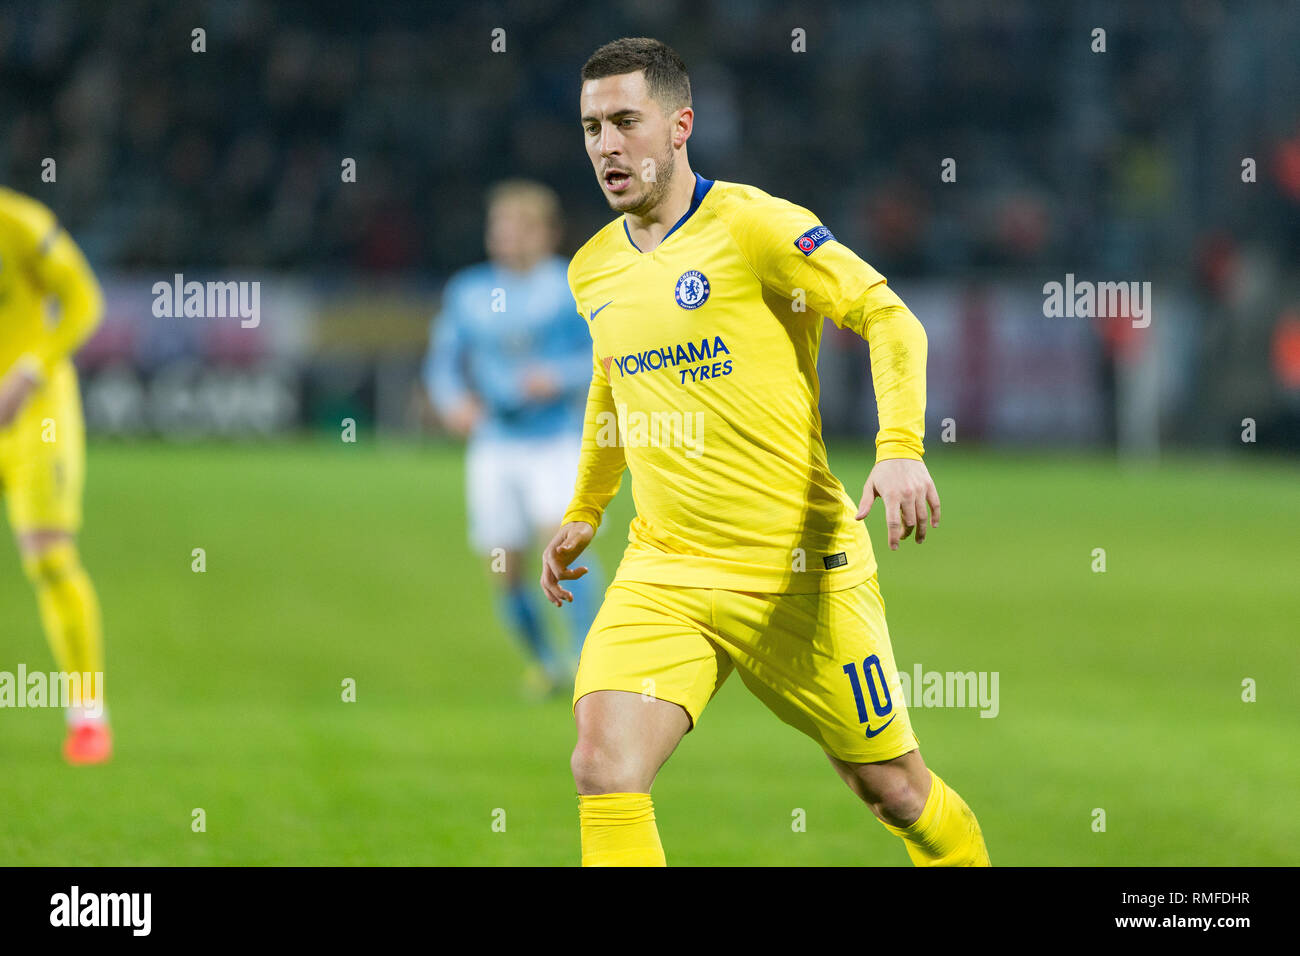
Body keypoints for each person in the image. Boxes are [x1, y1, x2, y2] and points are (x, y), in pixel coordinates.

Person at [541, 38, 990, 865]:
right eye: (591, 127)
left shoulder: (758, 228)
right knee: (604, 767)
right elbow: (614, 384)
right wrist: (586, 508)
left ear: (679, 126)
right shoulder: (592, 270)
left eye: (625, 122)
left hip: (799, 570)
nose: (606, 145)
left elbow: (888, 317)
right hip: (666, 569)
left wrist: (899, 447)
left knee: (893, 790)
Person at [426, 180, 605, 696]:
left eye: (521, 227)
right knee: (504, 567)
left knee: (564, 548)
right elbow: (443, 361)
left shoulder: (573, 284)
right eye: (499, 227)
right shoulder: (468, 291)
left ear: (547, 233)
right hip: (495, 445)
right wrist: (452, 400)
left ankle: (586, 663)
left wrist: (560, 376)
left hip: (557, 440)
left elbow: (607, 354)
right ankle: (545, 664)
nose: (507, 237)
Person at [0, 187, 110, 764]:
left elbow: (85, 300)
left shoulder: (19, 223)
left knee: (47, 557)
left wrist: (29, 371)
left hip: (33, 408)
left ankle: (88, 716)